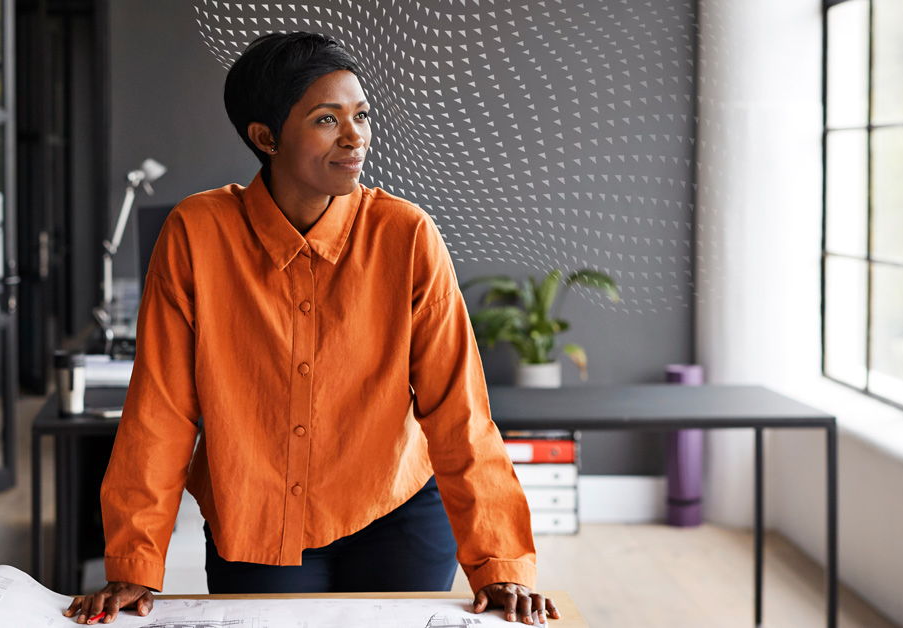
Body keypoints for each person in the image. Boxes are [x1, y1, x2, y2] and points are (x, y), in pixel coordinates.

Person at [65, 31, 560, 625]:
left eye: (362, 115)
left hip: (395, 512)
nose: (356, 138)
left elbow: (460, 411)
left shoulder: (406, 236)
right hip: (255, 518)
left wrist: (501, 562)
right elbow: (161, 409)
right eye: (327, 119)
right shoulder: (195, 234)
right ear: (265, 137)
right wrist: (132, 564)